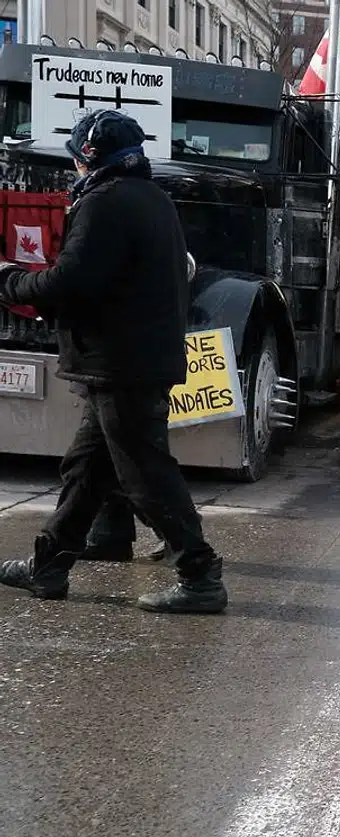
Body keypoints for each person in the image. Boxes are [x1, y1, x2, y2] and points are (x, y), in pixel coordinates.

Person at [0, 110, 226, 613]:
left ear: (87, 159)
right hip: (134, 359)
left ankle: (201, 575)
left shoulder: (104, 204)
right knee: (86, 469)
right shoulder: (154, 199)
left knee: (144, 473)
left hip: (119, 363)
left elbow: (70, 283)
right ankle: (49, 564)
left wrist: (8, 280)